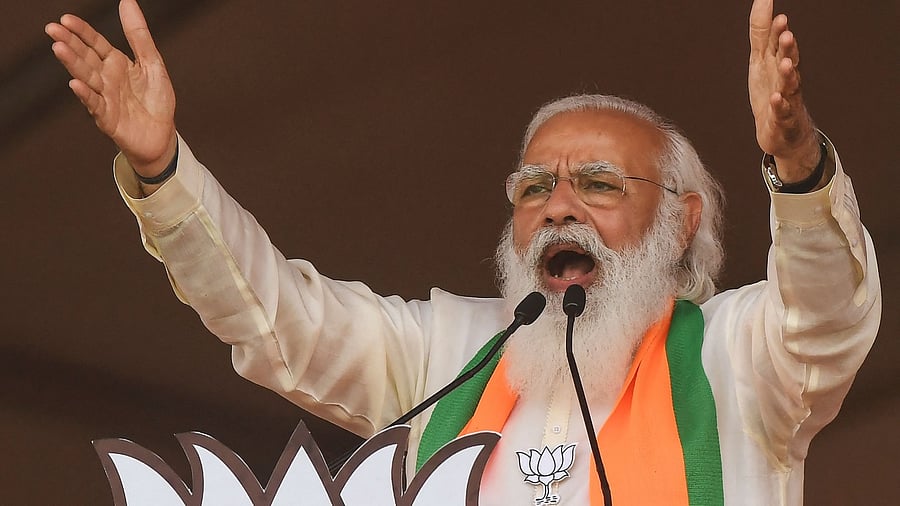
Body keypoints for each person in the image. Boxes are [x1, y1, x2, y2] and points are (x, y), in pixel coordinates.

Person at [46, 0, 880, 504]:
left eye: (596, 183)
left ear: (684, 219)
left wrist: (798, 166)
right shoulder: (446, 356)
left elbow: (827, 313)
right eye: (532, 187)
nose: (557, 206)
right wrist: (163, 169)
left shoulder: (742, 359)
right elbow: (274, 321)